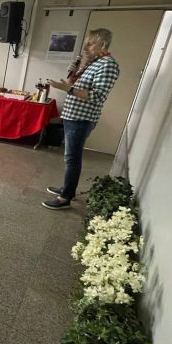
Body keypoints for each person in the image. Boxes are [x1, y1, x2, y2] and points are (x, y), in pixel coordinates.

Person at [44, 28, 120, 210]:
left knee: (72, 157)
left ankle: (66, 198)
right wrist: (73, 75)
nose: (85, 46)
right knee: (69, 156)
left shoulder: (108, 64)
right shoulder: (92, 63)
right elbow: (75, 88)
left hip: (81, 119)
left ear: (103, 44)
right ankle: (67, 187)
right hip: (73, 115)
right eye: (86, 42)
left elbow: (97, 95)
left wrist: (67, 89)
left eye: (90, 43)